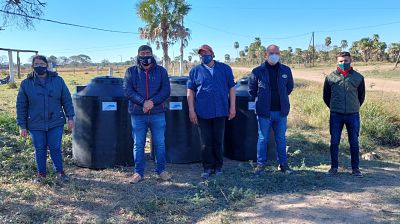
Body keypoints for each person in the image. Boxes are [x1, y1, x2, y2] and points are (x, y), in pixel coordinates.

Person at [16, 55, 74, 183]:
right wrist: (22, 125)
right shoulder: (26, 84)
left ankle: (60, 172)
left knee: (55, 147)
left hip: (56, 121)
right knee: (40, 148)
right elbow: (21, 106)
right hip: (35, 123)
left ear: (47, 65)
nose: (39, 66)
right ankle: (41, 174)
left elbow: (67, 99)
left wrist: (70, 117)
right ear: (32, 66)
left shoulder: (58, 80)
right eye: (36, 64)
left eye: (42, 64)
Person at [124, 45, 171, 184]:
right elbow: (127, 91)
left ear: (152, 54)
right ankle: (138, 173)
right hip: (138, 114)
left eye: (148, 53)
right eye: (142, 53)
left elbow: (165, 90)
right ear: (138, 55)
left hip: (157, 113)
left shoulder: (161, 71)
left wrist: (152, 102)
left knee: (160, 143)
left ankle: (161, 171)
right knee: (138, 144)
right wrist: (143, 102)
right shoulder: (130, 71)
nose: (145, 55)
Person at [187, 44, 236, 179]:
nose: (204, 56)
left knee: (218, 140)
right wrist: (191, 110)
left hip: (221, 110)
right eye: (202, 54)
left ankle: (218, 166)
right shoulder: (195, 71)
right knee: (205, 142)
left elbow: (232, 88)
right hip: (202, 112)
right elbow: (190, 92)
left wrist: (233, 107)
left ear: (213, 54)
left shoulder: (225, 69)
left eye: (206, 53)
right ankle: (207, 167)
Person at [248, 44, 294, 175]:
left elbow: (289, 88)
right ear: (265, 55)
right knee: (263, 139)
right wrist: (260, 103)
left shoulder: (286, 70)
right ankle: (261, 164)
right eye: (271, 53)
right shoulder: (257, 71)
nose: (274, 55)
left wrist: (281, 98)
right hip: (264, 113)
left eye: (277, 53)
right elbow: (252, 90)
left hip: (281, 112)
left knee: (281, 139)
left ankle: (283, 164)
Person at [323, 51, 365, 177]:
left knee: (354, 142)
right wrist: (335, 107)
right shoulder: (330, 77)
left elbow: (361, 96)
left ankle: (355, 169)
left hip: (353, 115)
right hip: (336, 114)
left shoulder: (358, 77)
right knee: (334, 141)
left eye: (345, 61)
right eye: (341, 61)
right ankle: (334, 167)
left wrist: (354, 106)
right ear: (337, 62)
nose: (343, 63)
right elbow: (326, 96)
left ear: (350, 60)